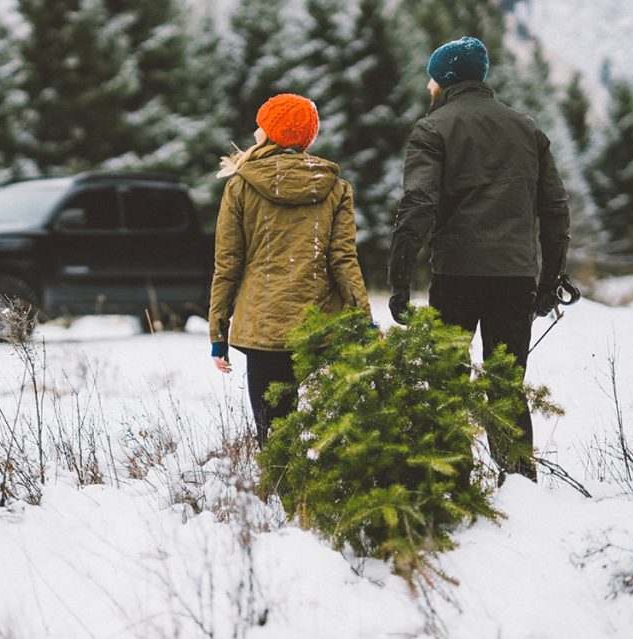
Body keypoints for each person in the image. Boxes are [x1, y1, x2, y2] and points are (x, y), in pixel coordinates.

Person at [386, 36, 571, 481]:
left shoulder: (432, 129)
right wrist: (549, 282)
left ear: (446, 80)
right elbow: (555, 210)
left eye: (433, 77)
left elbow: (417, 206)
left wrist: (399, 282)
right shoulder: (527, 129)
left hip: (457, 276)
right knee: (505, 383)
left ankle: (453, 481)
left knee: (448, 382)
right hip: (515, 276)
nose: (428, 85)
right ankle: (520, 481)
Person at [209, 93, 372, 446]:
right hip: (320, 327)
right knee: (329, 432)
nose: (254, 131)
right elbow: (344, 260)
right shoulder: (336, 188)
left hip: (263, 325)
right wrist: (363, 318)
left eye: (261, 124)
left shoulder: (239, 186)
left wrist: (218, 333)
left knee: (273, 437)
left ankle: (283, 496)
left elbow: (228, 265)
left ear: (271, 133)